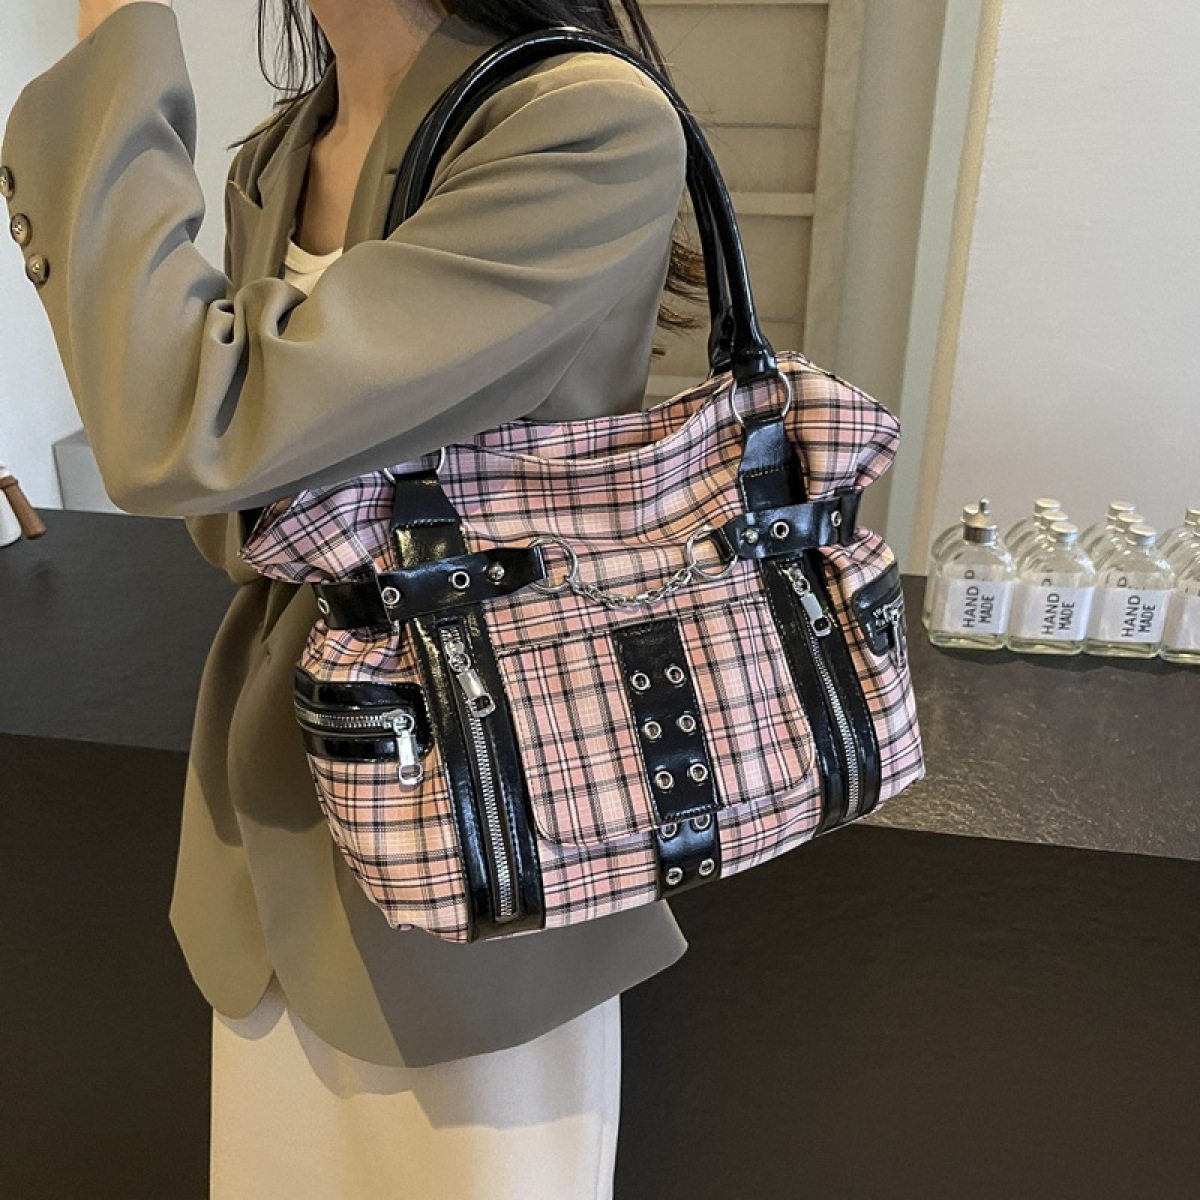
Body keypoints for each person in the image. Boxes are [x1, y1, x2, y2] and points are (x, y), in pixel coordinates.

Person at [1, 0, 707, 1195]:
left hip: (488, 840)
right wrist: (237, 459)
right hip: (274, 831)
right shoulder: (284, 152)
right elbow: (230, 512)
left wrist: (113, 44)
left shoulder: (579, 118)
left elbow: (184, 434)